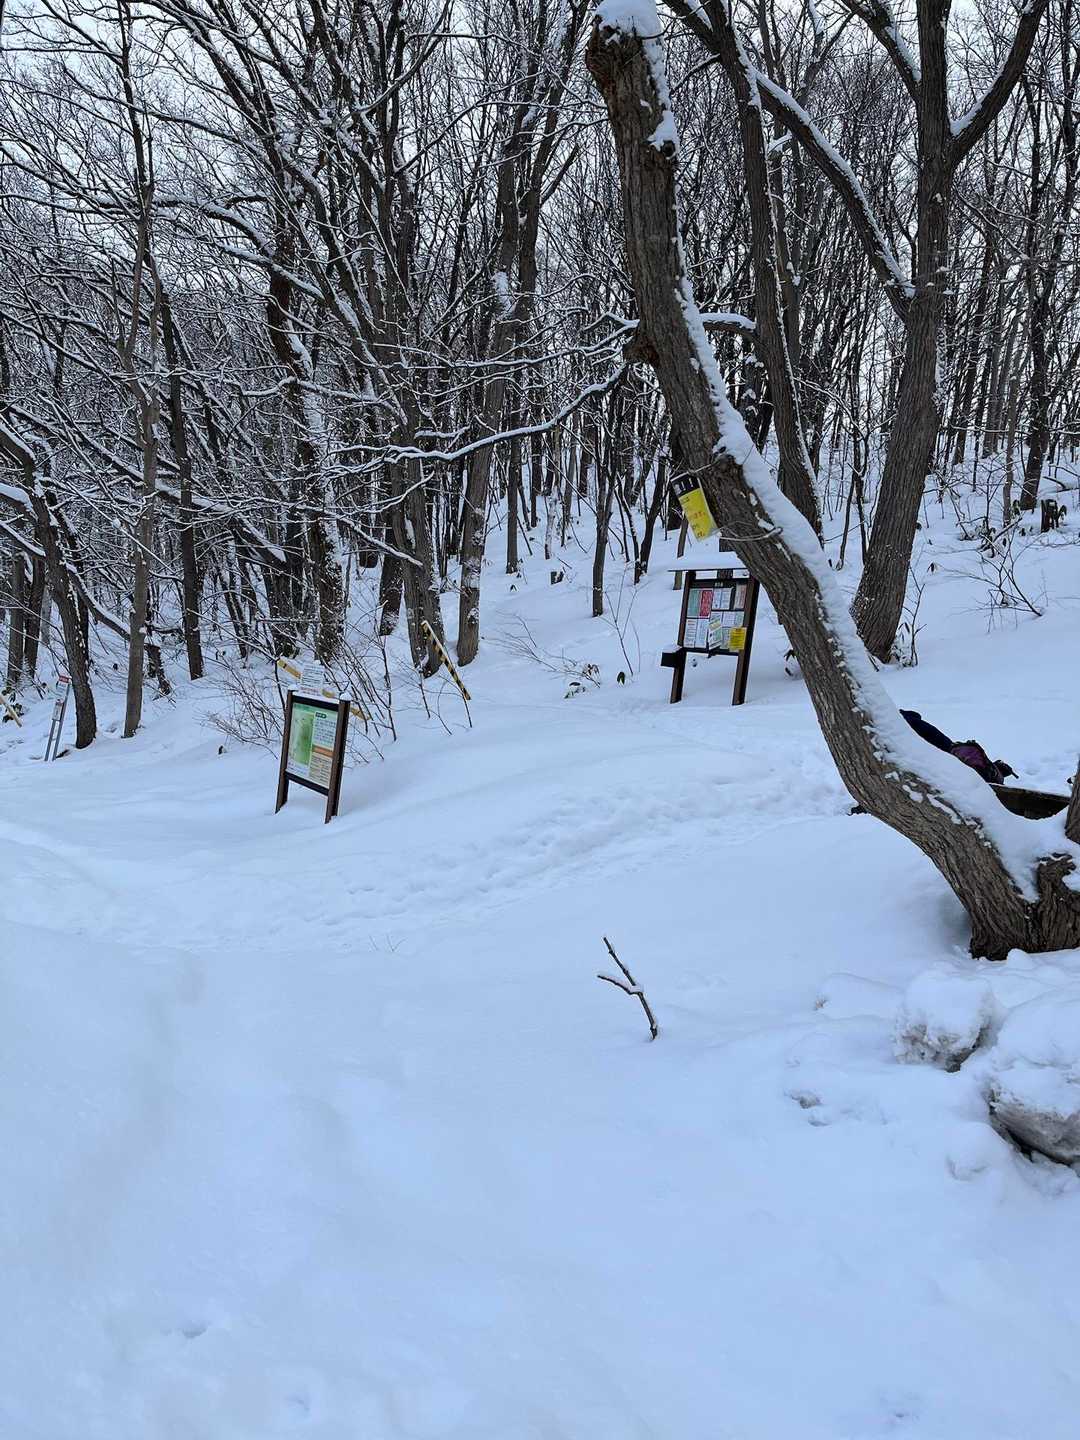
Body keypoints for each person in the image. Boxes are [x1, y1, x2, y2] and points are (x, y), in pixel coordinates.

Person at [899, 709, 1016, 786]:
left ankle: (907, 718)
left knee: (931, 735)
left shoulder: (991, 772)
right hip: (951, 751)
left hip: (950, 753)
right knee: (932, 736)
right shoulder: (993, 776)